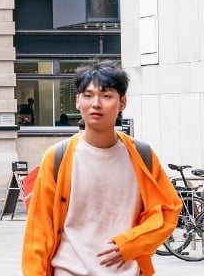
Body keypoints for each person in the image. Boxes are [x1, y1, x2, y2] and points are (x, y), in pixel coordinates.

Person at [22, 61, 181, 275]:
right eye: (88, 95)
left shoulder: (142, 156)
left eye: (106, 96)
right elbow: (38, 231)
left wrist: (130, 243)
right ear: (78, 101)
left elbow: (168, 210)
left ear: (122, 102)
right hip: (69, 270)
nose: (96, 104)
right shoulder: (57, 157)